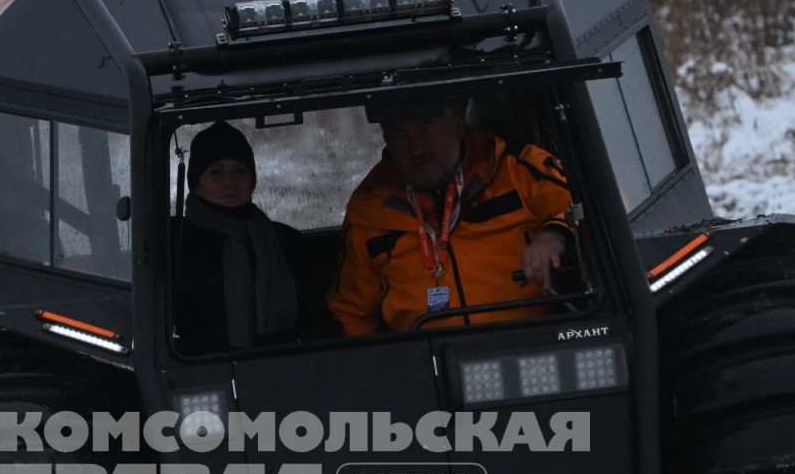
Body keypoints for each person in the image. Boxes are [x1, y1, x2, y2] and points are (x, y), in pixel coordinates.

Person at [328, 96, 576, 335]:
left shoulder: (516, 167)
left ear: (457, 124)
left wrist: (554, 235)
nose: (415, 149)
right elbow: (350, 313)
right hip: (425, 363)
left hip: (530, 347)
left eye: (424, 130)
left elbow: (583, 206)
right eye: (398, 136)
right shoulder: (368, 209)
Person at [172, 120, 339, 352]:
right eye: (216, 172)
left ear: (252, 181)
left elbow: (317, 316)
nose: (229, 181)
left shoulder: (286, 242)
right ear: (195, 183)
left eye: (239, 170)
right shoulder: (175, 243)